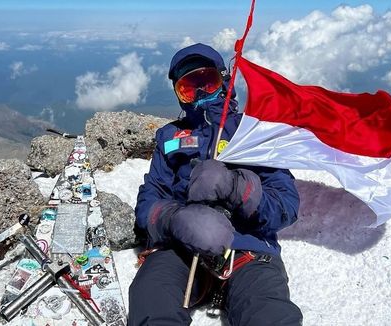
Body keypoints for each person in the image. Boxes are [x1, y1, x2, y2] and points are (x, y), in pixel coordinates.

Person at [129, 43, 303, 326]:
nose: (198, 94)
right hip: (181, 247)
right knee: (151, 294)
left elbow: (286, 205)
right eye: (187, 87)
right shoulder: (170, 136)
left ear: (223, 81)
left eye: (206, 82)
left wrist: (234, 187)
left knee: (269, 313)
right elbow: (150, 200)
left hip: (248, 249)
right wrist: (176, 218)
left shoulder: (254, 133)